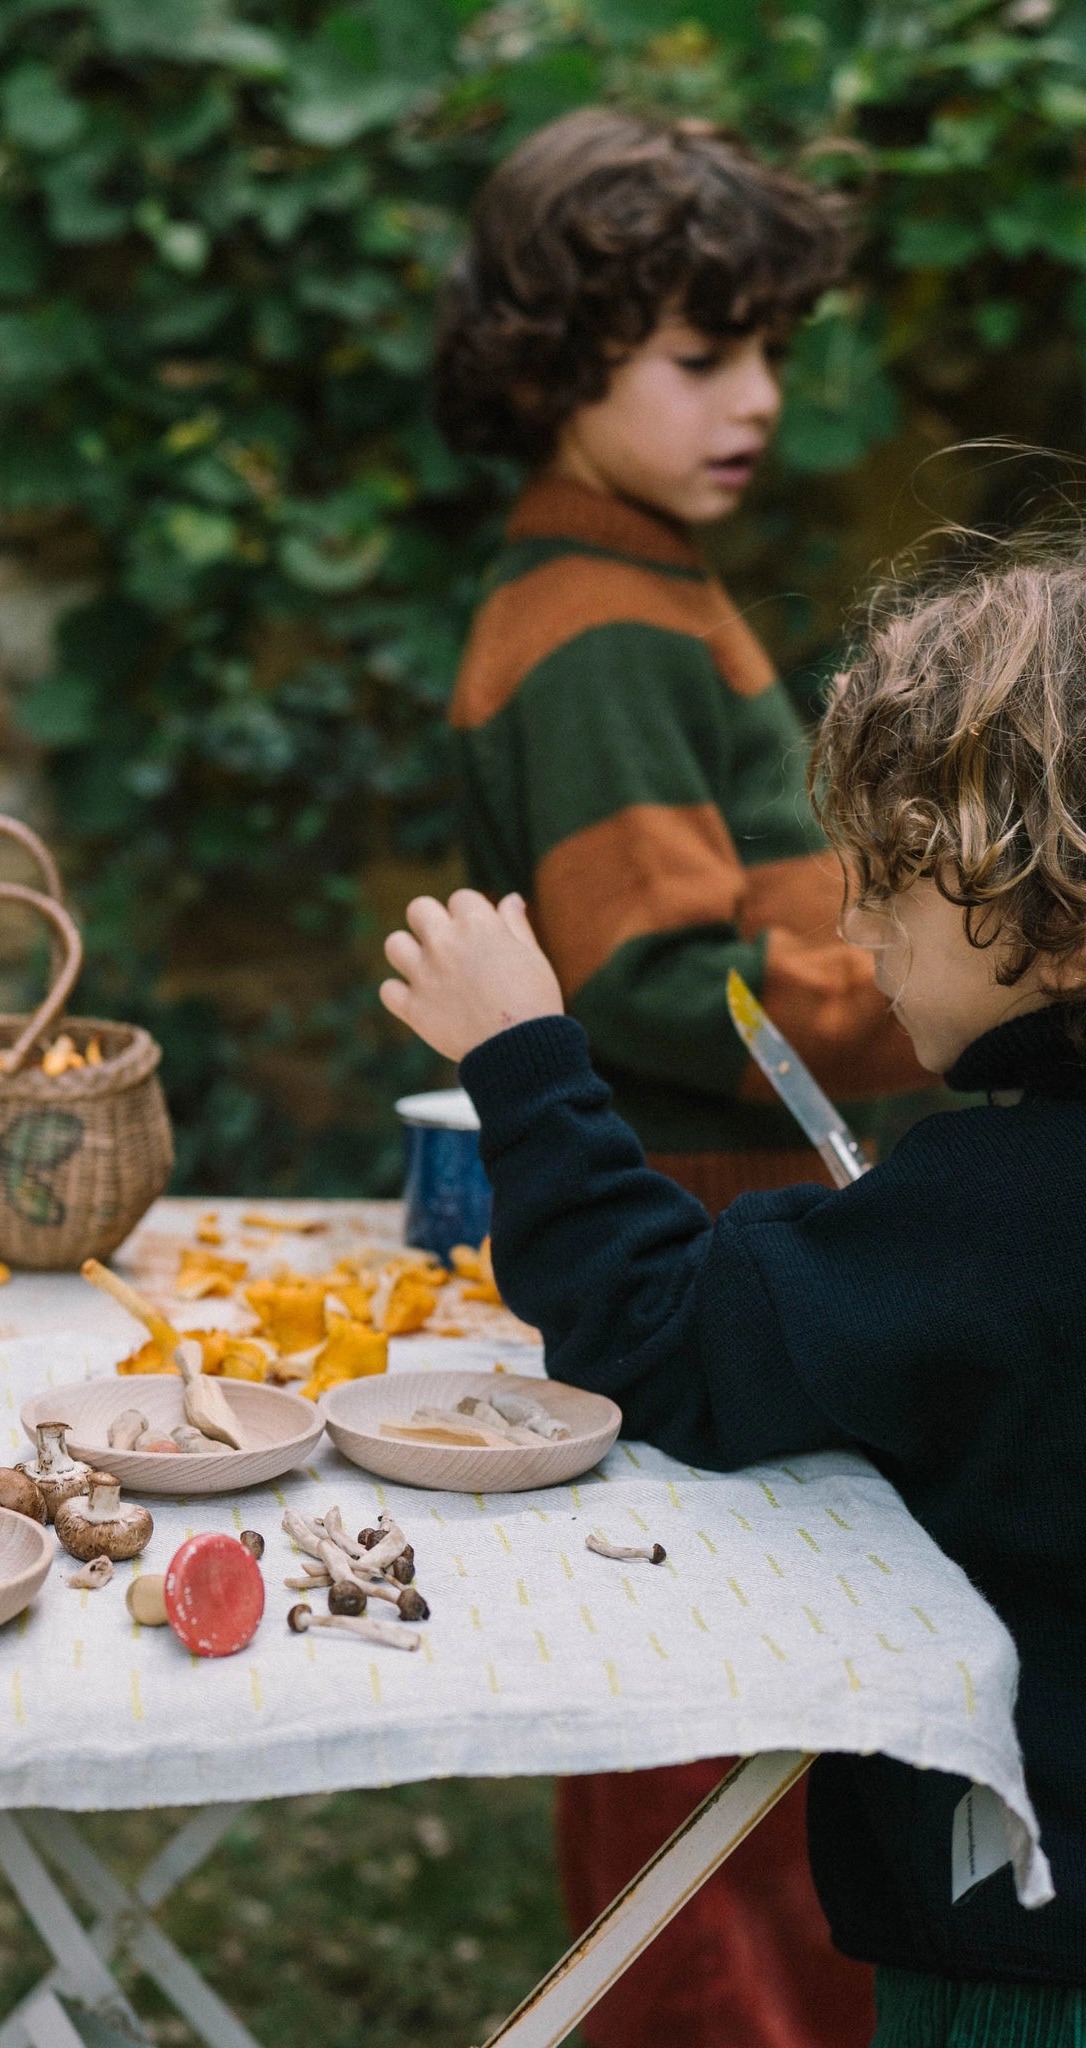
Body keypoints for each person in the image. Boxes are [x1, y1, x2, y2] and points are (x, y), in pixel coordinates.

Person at [380, 547, 1086, 2047]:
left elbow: (659, 1331)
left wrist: (521, 1056)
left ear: (1065, 919)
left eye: (892, 883)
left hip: (1029, 1941)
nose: (858, 930)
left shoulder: (997, 1210)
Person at [430, 107, 937, 2046]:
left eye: (771, 352)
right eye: (704, 355)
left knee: (756, 1694)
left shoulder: (649, 582)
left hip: (724, 1210)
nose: (761, 399)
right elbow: (649, 975)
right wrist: (925, 1001)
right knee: (699, 1710)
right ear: (555, 367)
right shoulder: (592, 624)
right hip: (688, 1226)